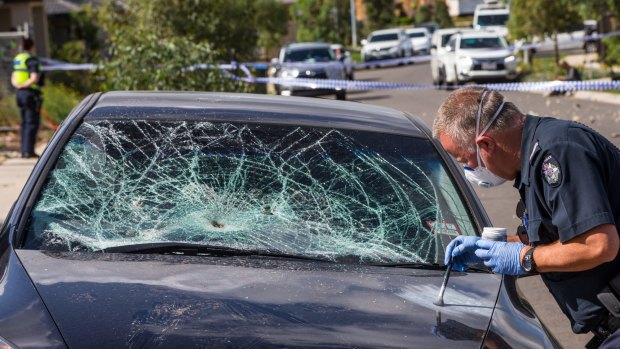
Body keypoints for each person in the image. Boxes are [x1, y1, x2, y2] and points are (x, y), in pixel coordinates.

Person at [433, 86, 620, 349]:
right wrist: (491, 250)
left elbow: (598, 245)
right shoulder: (531, 163)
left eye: (467, 161)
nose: (470, 171)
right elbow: (552, 241)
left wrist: (522, 259)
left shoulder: (558, 152)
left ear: (485, 144)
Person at [11, 37, 43, 159]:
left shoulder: (18, 59)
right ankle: (29, 151)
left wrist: (18, 86)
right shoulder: (31, 60)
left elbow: (13, 75)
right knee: (32, 123)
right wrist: (25, 86)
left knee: (24, 123)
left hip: (19, 93)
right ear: (32, 46)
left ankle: (24, 150)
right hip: (30, 93)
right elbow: (34, 78)